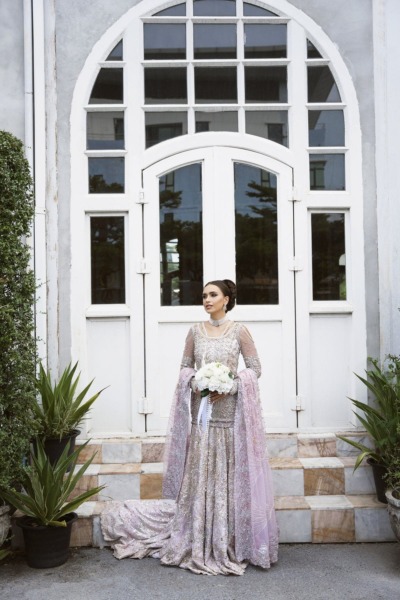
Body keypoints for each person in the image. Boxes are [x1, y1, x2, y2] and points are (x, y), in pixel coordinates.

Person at [101, 279, 279, 576]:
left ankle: (227, 540)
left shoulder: (240, 331)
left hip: (228, 416)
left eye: (213, 295)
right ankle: (196, 535)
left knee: (227, 473)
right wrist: (198, 381)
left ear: (226, 299)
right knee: (201, 471)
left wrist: (232, 386)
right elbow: (185, 367)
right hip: (202, 415)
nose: (207, 300)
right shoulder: (195, 332)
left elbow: (255, 368)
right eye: (204, 296)